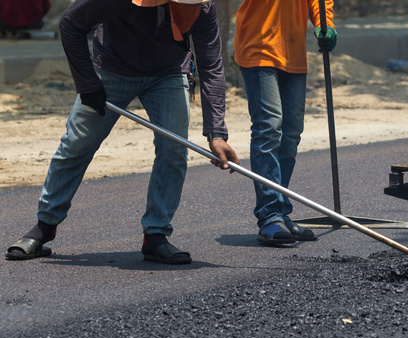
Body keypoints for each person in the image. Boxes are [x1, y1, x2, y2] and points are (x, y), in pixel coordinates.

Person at [5, 0, 238, 264]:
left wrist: (216, 133)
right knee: (77, 144)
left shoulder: (203, 6)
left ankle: (156, 235)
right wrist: (88, 84)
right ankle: (44, 226)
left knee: (174, 150)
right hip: (111, 67)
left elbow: (211, 65)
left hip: (169, 72)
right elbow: (70, 24)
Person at [233, 0, 337, 245]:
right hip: (258, 47)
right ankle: (269, 216)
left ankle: (280, 210)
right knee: (269, 128)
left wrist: (325, 24)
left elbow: (320, 2)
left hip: (293, 51)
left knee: (290, 134)